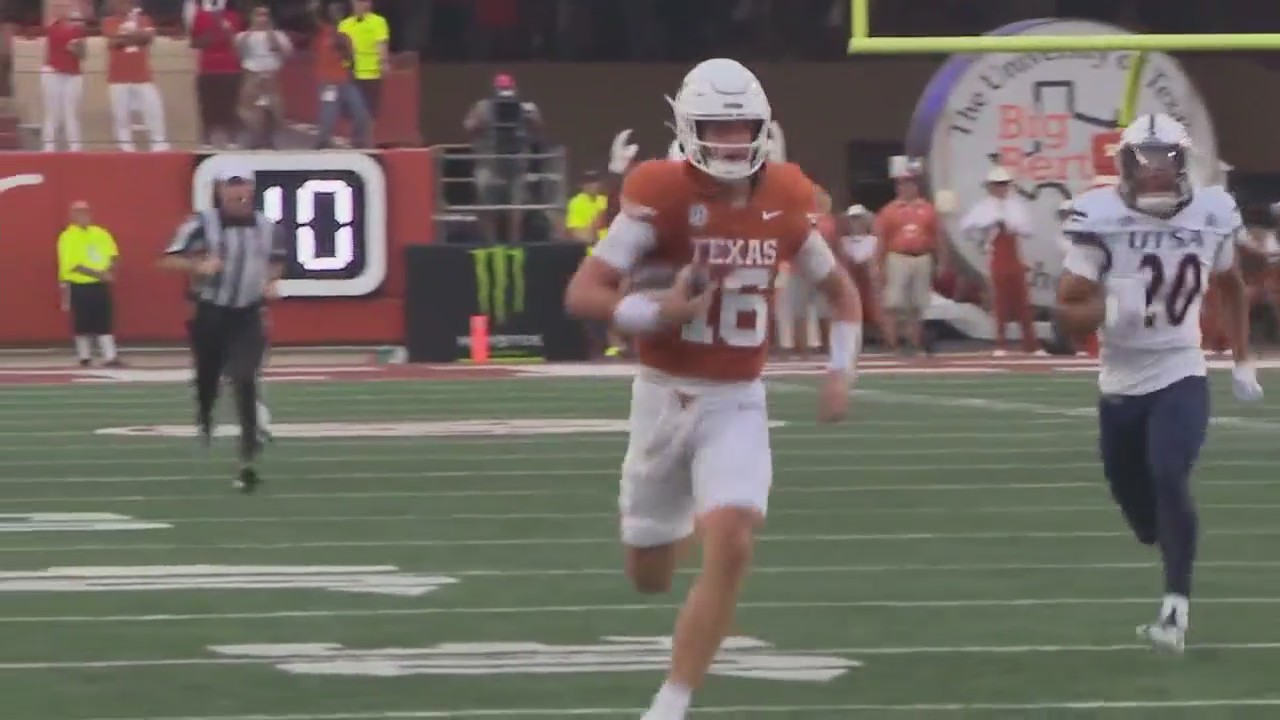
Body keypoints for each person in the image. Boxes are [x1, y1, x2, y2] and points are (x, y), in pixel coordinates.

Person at [563, 57, 861, 720]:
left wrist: (841, 370)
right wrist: (655, 312)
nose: (730, 142)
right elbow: (584, 291)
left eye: (742, 127)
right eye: (716, 128)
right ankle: (684, 524)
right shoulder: (661, 191)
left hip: (736, 398)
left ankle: (672, 702)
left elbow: (842, 294)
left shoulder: (787, 194)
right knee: (650, 575)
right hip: (663, 394)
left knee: (731, 537)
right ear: (688, 129)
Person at [1055, 113, 1264, 654]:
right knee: (1145, 518)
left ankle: (1175, 608)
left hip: (1180, 368)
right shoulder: (1099, 216)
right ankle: (1165, 541)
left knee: (1170, 472)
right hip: (1120, 382)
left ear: (1182, 163)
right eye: (1142, 161)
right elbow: (1067, 309)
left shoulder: (1211, 212)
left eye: (1164, 160)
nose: (1153, 172)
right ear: (1124, 165)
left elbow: (1232, 287)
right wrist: (1111, 303)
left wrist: (1242, 360)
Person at [160, 167, 288, 493]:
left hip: (247, 313)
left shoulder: (267, 226)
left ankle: (247, 454)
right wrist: (197, 266)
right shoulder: (202, 223)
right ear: (220, 190)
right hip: (211, 313)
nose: (238, 192)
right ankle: (205, 415)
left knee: (245, 377)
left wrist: (272, 281)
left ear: (252, 188)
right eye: (231, 186)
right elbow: (168, 259)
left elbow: (276, 259)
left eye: (242, 184)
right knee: (207, 378)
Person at [960, 166, 1039, 355]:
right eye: (997, 185)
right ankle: (1001, 343)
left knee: (1023, 303)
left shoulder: (1016, 206)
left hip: (1014, 256)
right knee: (1000, 303)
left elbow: (1029, 230)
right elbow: (966, 228)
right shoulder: (982, 207)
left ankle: (1031, 345)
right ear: (990, 187)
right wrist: (985, 228)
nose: (1000, 188)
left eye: (1003, 184)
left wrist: (1011, 225)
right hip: (996, 256)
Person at [875, 161, 945, 354]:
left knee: (917, 305)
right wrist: (879, 265)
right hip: (897, 257)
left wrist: (941, 262)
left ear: (916, 186)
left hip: (922, 257)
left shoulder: (928, 209)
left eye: (910, 183)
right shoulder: (889, 210)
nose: (906, 187)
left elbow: (937, 237)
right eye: (903, 183)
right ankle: (893, 344)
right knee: (893, 304)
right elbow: (882, 239)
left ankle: (915, 343)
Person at [58, 201, 121, 367]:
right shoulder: (68, 236)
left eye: (85, 212)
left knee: (104, 319)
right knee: (82, 321)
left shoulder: (101, 233)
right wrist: (100, 274)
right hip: (79, 283)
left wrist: (109, 270)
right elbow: (72, 264)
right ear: (72, 215)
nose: (83, 216)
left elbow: (113, 254)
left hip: (100, 284)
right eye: (78, 212)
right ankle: (84, 356)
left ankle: (110, 356)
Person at [102, 0, 168, 151]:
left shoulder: (144, 19)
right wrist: (136, 36)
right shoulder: (109, 21)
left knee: (153, 110)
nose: (122, 5)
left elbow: (148, 39)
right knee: (121, 116)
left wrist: (127, 36)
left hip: (142, 76)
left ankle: (159, 145)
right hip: (117, 77)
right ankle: (126, 148)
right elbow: (113, 43)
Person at [312, 0, 372, 149]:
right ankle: (322, 143)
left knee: (360, 112)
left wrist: (344, 49)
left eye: (338, 12)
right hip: (327, 82)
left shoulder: (345, 35)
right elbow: (312, 22)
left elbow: (350, 59)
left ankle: (358, 141)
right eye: (333, 11)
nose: (336, 14)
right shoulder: (322, 32)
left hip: (344, 80)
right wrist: (314, 8)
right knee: (328, 115)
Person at [41, 0, 86, 152]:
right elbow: (57, 46)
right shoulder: (52, 28)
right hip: (53, 73)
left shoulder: (78, 30)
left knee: (71, 111)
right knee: (53, 111)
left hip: (73, 74)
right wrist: (71, 47)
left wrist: (76, 48)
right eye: (58, 7)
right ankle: (49, 146)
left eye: (66, 7)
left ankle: (75, 147)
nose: (62, 10)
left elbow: (82, 53)